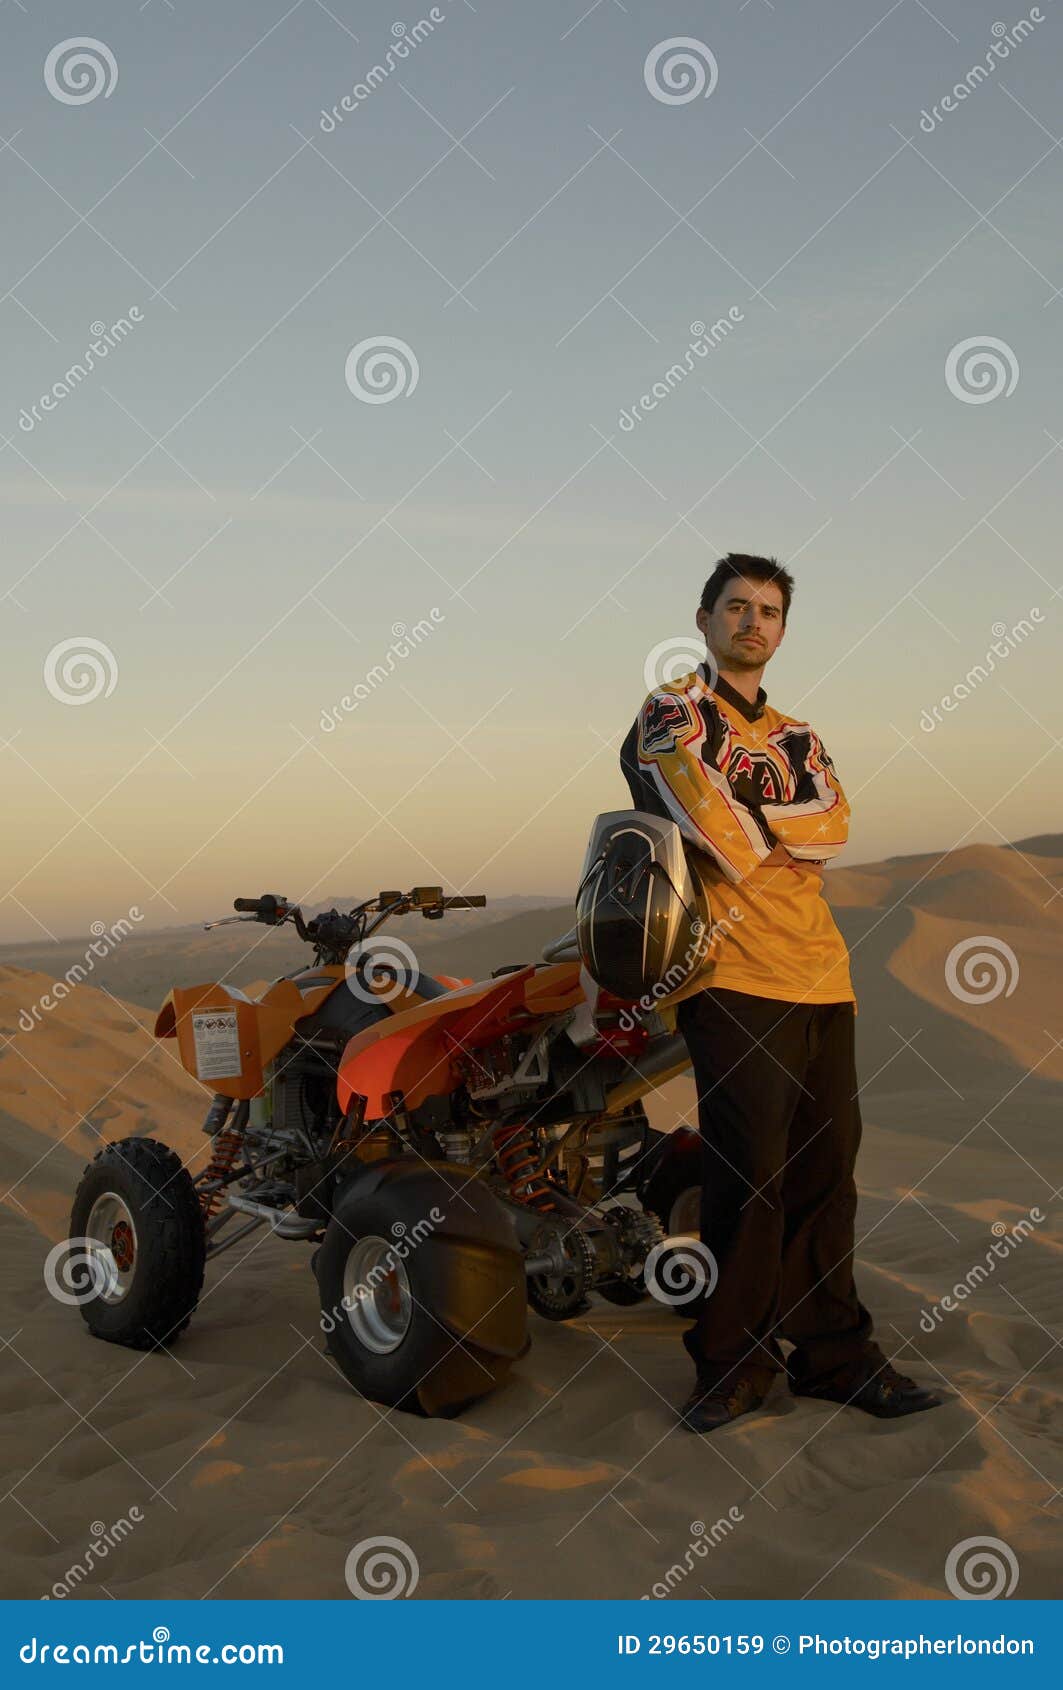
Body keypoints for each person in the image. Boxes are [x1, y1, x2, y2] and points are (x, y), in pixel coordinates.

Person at [619, 553, 944, 1433]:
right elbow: (719, 834)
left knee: (825, 1174)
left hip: (820, 976)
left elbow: (834, 824)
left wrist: (772, 825)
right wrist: (776, 830)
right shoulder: (670, 714)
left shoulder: (800, 734)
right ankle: (730, 1366)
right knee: (746, 1178)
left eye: (767, 610)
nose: (752, 622)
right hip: (732, 975)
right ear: (703, 618)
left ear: (783, 630)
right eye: (735, 607)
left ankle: (833, 1357)